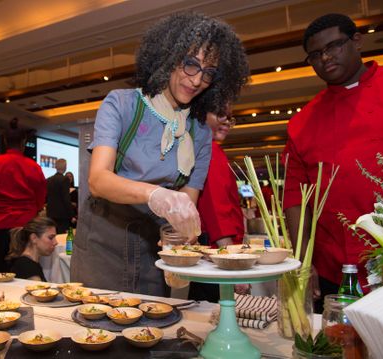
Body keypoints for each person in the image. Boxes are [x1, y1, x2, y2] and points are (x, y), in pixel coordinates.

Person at [70, 11, 249, 296]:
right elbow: (98, 180)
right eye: (191, 64)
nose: (197, 80)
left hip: (153, 244)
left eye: (209, 72)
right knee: (98, 326)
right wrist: (156, 194)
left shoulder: (200, 133)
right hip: (102, 241)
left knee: (150, 330)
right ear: (170, 56)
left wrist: (181, 237)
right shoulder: (121, 104)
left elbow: (186, 206)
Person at [283, 13, 383, 313]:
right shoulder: (302, 123)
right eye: (315, 55)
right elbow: (294, 198)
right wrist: (303, 261)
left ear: (357, 41)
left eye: (334, 46)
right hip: (336, 269)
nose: (326, 58)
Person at [188, 111, 248, 302]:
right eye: (220, 114)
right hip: (218, 253)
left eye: (231, 117)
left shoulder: (203, 149)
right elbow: (216, 210)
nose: (227, 122)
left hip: (211, 251)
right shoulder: (211, 151)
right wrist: (232, 264)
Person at [0, 118, 47, 272]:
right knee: (21, 271)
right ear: (23, 141)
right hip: (23, 227)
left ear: (4, 140)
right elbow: (40, 197)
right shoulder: (33, 167)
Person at [6, 216, 58, 281]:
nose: (56, 242)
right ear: (34, 238)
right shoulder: (27, 267)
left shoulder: (30, 263)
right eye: (50, 238)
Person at [46, 159, 73, 233]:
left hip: (50, 213)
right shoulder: (65, 179)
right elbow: (66, 199)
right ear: (65, 167)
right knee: (62, 237)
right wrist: (72, 214)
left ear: (55, 167)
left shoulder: (49, 180)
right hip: (62, 215)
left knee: (53, 235)